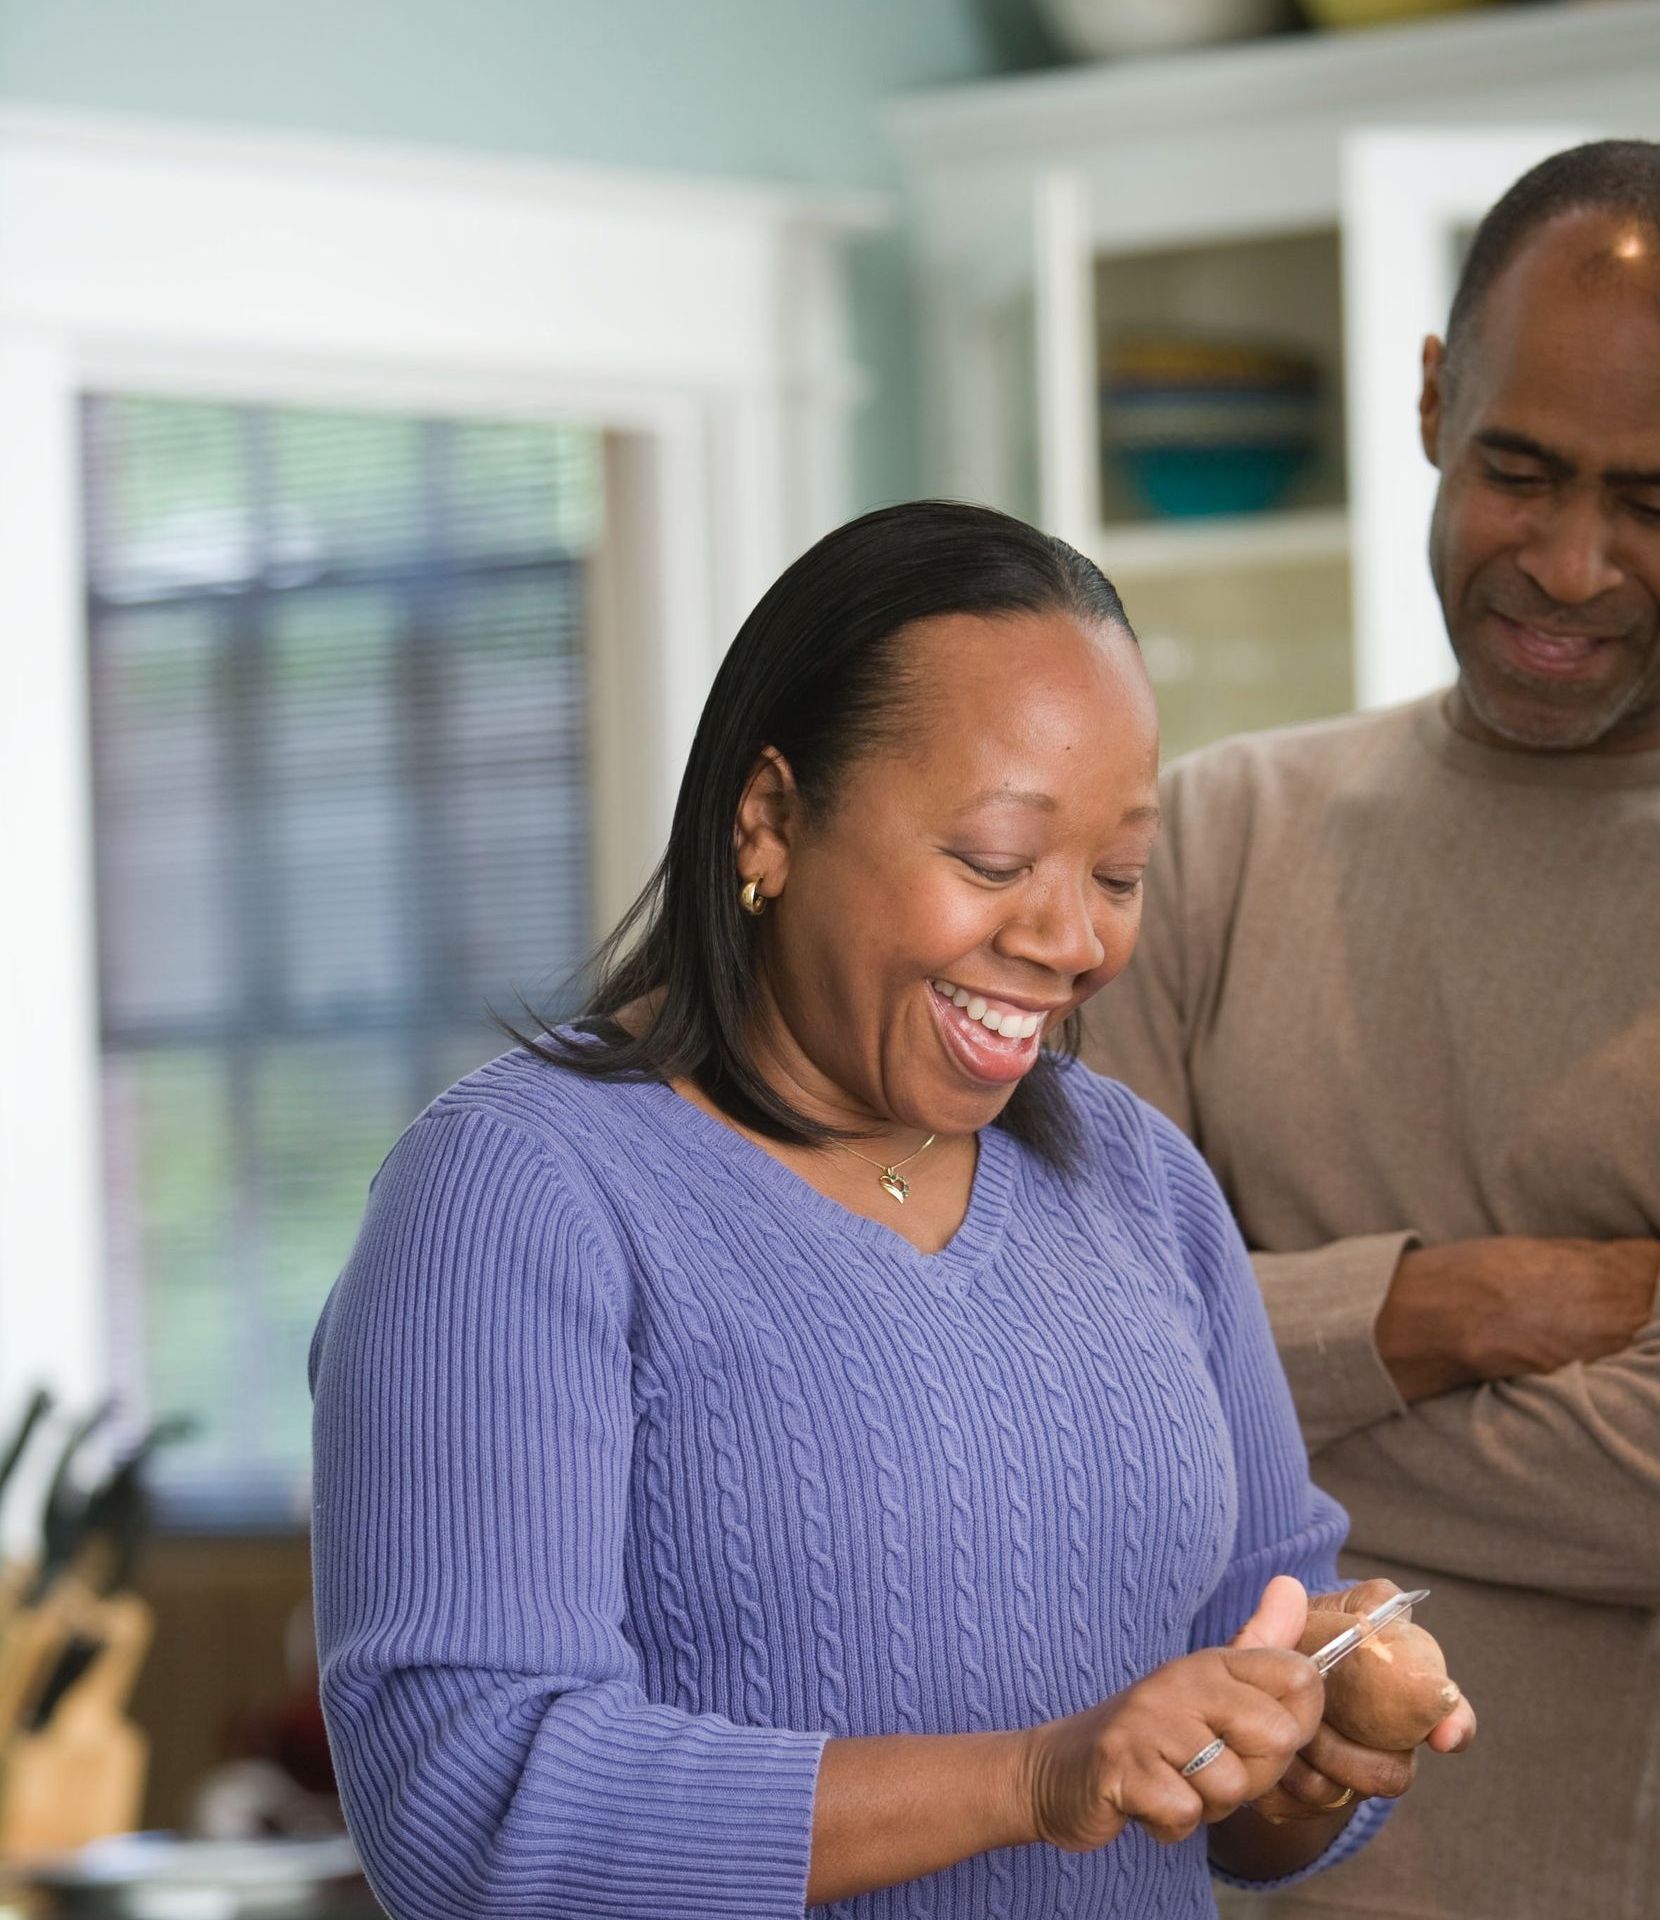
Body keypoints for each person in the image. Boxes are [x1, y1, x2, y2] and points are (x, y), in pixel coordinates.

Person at [307, 501, 1474, 1920]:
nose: (1070, 939)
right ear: (771, 819)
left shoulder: (1142, 1183)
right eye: (994, 860)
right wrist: (1036, 1778)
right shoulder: (516, 1197)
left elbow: (1229, 1778)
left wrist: (1315, 1754)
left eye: (1117, 875)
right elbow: (470, 1805)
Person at [1083, 139, 1660, 1920]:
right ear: (1430, 401)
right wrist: (1445, 1307)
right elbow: (1072, 1389)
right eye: (1519, 470)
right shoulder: (1213, 838)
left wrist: (1242, 1358)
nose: (1572, 562)